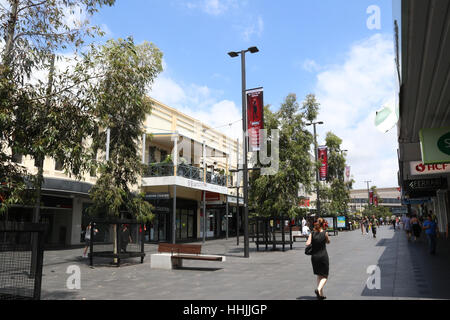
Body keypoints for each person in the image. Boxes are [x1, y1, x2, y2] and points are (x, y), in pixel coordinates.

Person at [306, 218, 330, 300]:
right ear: (323, 224)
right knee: (325, 276)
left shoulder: (312, 233)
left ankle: (320, 294)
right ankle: (318, 289)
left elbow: (307, 243)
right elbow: (328, 242)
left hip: (314, 257)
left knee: (319, 275)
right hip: (323, 256)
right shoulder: (325, 233)